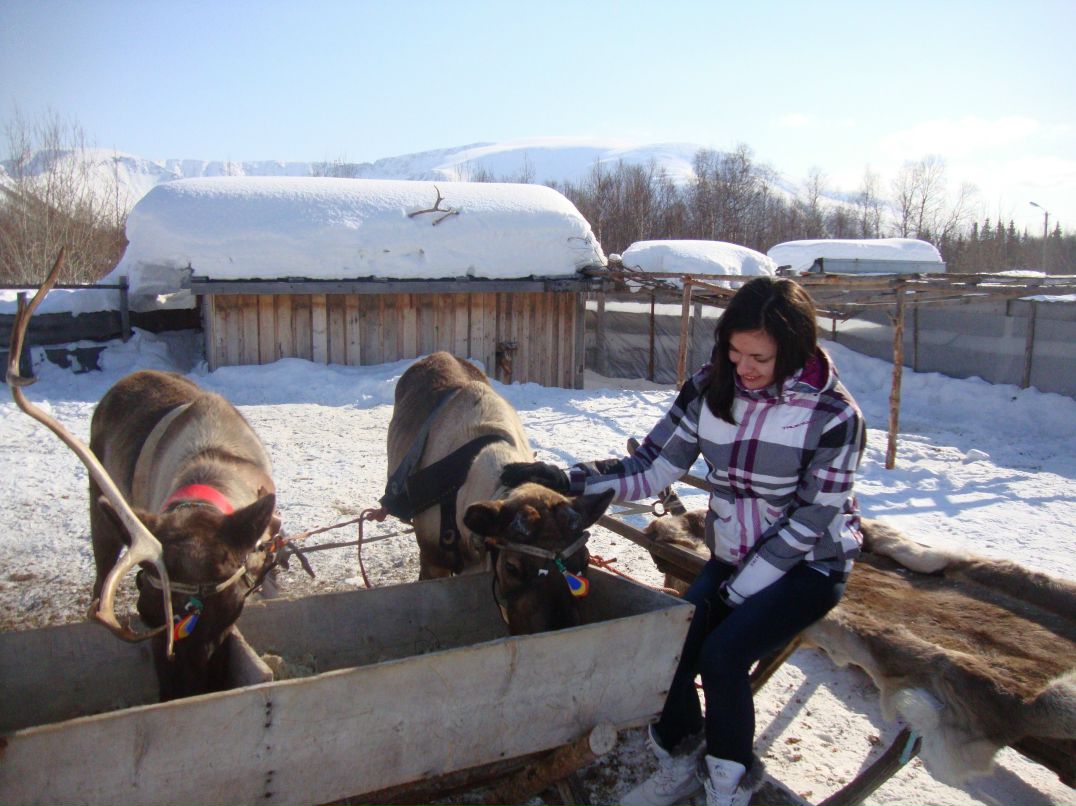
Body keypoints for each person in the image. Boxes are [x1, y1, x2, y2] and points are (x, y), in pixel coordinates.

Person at [501, 276, 866, 806]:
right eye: (735, 352)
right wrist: (568, 480)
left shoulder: (833, 416)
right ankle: (683, 752)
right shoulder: (710, 388)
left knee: (721, 655)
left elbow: (809, 521)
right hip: (734, 554)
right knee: (670, 646)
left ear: (794, 350)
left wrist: (735, 595)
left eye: (760, 357)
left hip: (809, 564)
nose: (744, 368)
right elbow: (653, 465)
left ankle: (728, 783)